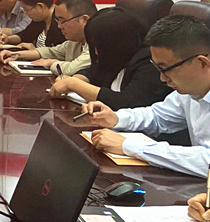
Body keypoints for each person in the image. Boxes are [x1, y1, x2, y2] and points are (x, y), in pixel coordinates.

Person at [82, 15, 210, 177]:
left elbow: (207, 160)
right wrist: (116, 118)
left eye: (165, 69)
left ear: (202, 63)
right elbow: (158, 116)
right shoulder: (189, 91)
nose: (162, 78)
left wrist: (128, 146)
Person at [49, 7, 172, 109]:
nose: (96, 52)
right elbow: (95, 70)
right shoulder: (120, 55)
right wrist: (77, 79)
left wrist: (73, 84)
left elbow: (127, 102)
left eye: (99, 46)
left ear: (117, 43)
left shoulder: (150, 62)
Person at [0, 0, 96, 75]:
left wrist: (51, 63)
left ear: (84, 20)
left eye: (63, 21)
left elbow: (70, 69)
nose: (59, 26)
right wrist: (15, 55)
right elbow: (51, 52)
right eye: (58, 21)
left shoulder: (98, 42)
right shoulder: (74, 41)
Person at [0, 0, 65, 49]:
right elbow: (25, 35)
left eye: (26, 10)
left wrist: (35, 51)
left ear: (40, 6)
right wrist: (7, 39)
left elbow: (59, 53)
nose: (26, 13)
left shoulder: (60, 24)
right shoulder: (41, 20)